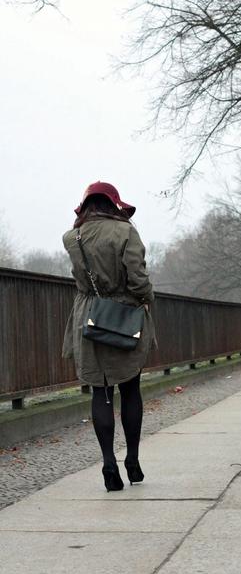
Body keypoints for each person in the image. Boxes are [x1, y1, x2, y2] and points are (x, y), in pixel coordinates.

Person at [62, 181, 155, 492]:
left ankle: (108, 462)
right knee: (130, 388)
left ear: (86, 206)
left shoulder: (72, 238)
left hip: (89, 317)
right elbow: (137, 277)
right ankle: (132, 458)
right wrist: (146, 297)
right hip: (125, 314)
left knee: (100, 392)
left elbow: (79, 279)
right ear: (113, 205)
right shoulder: (126, 231)